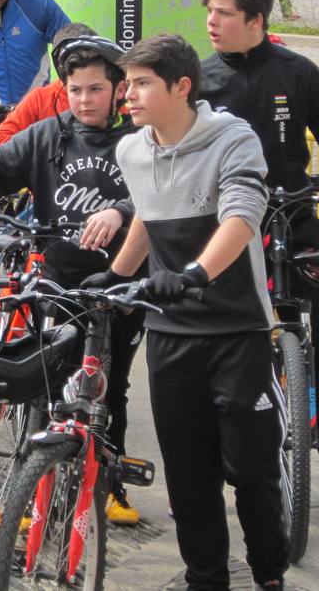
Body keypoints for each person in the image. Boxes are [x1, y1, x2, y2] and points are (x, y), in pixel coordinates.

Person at [92, 33, 287, 590]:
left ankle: (269, 574)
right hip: (171, 333)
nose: (126, 95)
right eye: (125, 84)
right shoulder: (132, 148)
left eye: (140, 83)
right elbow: (148, 220)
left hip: (238, 329)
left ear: (182, 86)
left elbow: (242, 217)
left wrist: (198, 273)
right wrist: (117, 275)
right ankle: (206, 578)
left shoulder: (233, 139)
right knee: (188, 473)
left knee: (252, 470)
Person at [0, 34, 147, 524]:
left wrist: (120, 211)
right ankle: (34, 491)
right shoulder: (49, 134)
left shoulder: (139, 140)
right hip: (56, 278)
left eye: (95, 89)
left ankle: (108, 482)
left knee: (108, 385)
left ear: (118, 89)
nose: (84, 100)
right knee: (45, 385)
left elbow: (164, 191)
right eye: (75, 90)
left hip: (119, 283)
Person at [198, 0, 319, 382]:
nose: (211, 22)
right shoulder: (199, 80)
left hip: (294, 215)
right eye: (209, 12)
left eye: (224, 13)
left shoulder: (299, 72)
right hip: (229, 223)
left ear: (256, 20)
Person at [0, 22, 95, 147]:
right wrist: (45, 146)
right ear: (60, 67)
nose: (85, 99)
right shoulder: (39, 99)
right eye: (75, 61)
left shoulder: (108, 94)